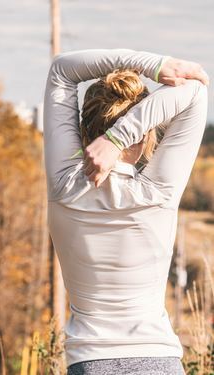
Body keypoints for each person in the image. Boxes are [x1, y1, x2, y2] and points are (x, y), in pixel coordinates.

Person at [42, 49, 209, 375]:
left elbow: (62, 70)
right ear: (146, 134)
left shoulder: (64, 188)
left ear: (83, 128)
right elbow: (195, 91)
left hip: (90, 363)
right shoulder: (157, 194)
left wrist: (154, 67)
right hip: (159, 361)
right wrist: (119, 138)